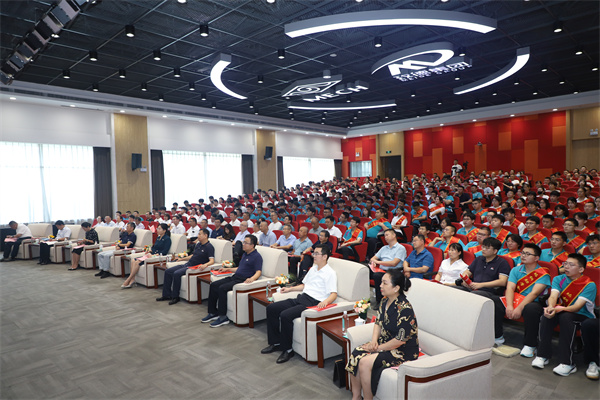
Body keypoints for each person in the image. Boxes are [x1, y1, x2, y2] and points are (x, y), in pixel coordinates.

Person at [346, 269, 418, 400]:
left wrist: (377, 348)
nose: (380, 285)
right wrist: (374, 341)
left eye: (385, 283)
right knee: (356, 353)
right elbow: (378, 323)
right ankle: (356, 396)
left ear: (396, 288)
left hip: (402, 349)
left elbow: (400, 340)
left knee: (365, 362)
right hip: (385, 342)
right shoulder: (385, 301)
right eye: (381, 282)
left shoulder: (405, 309)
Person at [262, 243, 337, 364]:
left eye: (316, 253)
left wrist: (325, 302)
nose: (313, 255)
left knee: (285, 315)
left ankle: (288, 350)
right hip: (302, 298)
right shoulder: (313, 269)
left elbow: (333, 294)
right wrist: (290, 289)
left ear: (324, 256)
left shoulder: (330, 273)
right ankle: (275, 343)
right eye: (314, 253)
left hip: (313, 303)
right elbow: (304, 285)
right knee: (272, 308)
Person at [532, 254, 596, 376]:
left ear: (581, 269)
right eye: (565, 264)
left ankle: (567, 363)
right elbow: (553, 297)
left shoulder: (589, 284)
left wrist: (558, 310)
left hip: (582, 316)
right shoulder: (559, 279)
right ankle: (542, 355)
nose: (566, 267)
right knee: (547, 315)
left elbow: (577, 307)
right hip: (562, 311)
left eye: (571, 265)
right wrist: (551, 307)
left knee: (566, 317)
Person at [458, 237, 511, 346]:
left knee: (474, 296)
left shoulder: (502, 263)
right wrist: (465, 280)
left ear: (495, 251)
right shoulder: (479, 259)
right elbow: (467, 272)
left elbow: (502, 281)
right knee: (454, 290)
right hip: (473, 287)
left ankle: (473, 331)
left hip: (490, 291)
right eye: (483, 247)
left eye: (487, 248)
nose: (483, 249)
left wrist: (480, 285)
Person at [202, 234, 262, 327]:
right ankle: (213, 312)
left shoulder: (257, 256)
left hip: (242, 280)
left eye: (246, 243)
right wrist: (228, 269)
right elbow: (240, 269)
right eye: (243, 242)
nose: (243, 244)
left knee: (222, 288)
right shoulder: (245, 254)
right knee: (214, 285)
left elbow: (258, 271)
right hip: (235, 277)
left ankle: (223, 317)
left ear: (252, 245)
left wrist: (252, 278)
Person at [504, 243, 551, 357]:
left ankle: (530, 345)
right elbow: (510, 288)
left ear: (536, 258)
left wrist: (519, 308)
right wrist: (509, 306)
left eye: (527, 254)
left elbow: (534, 293)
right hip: (515, 298)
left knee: (530, 309)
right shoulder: (516, 269)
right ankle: (497, 336)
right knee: (494, 302)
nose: (523, 256)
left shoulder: (543, 274)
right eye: (523, 253)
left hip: (533, 302)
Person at [156, 228, 214, 305]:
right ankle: (166, 295)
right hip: (188, 264)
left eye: (200, 234)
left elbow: (212, 261)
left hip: (194, 267)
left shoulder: (209, 247)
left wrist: (205, 265)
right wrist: (182, 259)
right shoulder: (198, 244)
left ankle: (175, 297)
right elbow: (192, 255)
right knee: (168, 271)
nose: (198, 236)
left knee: (176, 273)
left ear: (205, 235)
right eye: (198, 234)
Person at [121, 223, 172, 288]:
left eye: (159, 229)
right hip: (151, 254)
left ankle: (128, 279)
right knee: (134, 260)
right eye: (157, 228)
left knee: (137, 262)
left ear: (164, 230)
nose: (157, 230)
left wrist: (155, 254)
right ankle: (132, 279)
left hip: (156, 256)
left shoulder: (167, 239)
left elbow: (165, 251)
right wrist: (150, 250)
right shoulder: (158, 237)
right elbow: (154, 247)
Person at [369, 229, 407, 305]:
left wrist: (378, 262)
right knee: (365, 270)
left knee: (377, 276)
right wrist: (374, 262)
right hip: (381, 269)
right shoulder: (384, 248)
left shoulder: (400, 248)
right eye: (384, 235)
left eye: (387, 235)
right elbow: (372, 259)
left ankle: (379, 302)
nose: (385, 237)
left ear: (394, 235)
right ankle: (365, 298)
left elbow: (394, 263)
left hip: (393, 271)